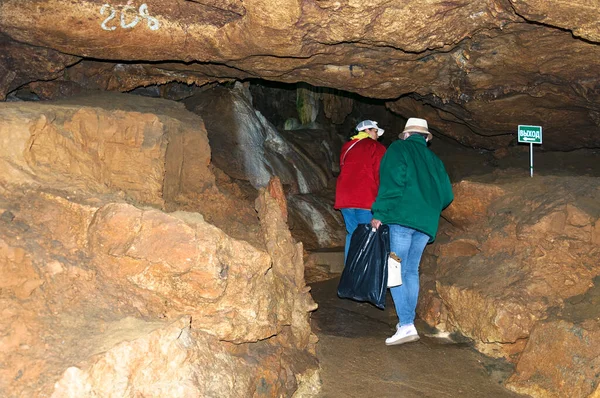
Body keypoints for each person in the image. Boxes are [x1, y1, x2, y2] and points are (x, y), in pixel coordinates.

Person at [370, 117, 453, 346]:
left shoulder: (399, 148)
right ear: (426, 138)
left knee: (394, 269)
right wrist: (429, 207)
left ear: (406, 135)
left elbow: (392, 182)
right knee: (410, 271)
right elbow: (447, 195)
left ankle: (406, 324)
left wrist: (379, 212)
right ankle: (406, 322)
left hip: (400, 221)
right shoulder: (435, 160)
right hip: (425, 226)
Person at [334, 120, 387, 265]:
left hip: (345, 200)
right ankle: (365, 276)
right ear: (368, 131)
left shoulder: (347, 147)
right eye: (375, 131)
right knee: (369, 236)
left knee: (353, 234)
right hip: (365, 199)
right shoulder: (375, 146)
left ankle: (350, 273)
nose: (377, 135)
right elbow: (381, 174)